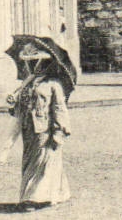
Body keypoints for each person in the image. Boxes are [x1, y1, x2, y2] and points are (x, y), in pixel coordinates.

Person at [5, 47, 72, 210]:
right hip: (28, 128)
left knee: (42, 161)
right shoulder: (27, 83)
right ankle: (56, 192)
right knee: (31, 161)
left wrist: (58, 132)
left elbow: (59, 109)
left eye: (36, 62)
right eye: (30, 62)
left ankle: (33, 198)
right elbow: (21, 107)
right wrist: (13, 102)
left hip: (44, 128)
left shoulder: (53, 84)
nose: (32, 65)